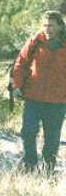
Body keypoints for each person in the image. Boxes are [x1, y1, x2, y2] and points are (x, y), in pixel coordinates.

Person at [11, 11, 66, 173]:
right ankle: (30, 164)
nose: (47, 29)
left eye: (51, 25)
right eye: (44, 25)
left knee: (52, 138)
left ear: (60, 26)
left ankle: (48, 168)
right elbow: (20, 63)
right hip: (33, 97)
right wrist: (16, 86)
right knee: (28, 132)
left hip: (57, 101)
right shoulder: (35, 42)